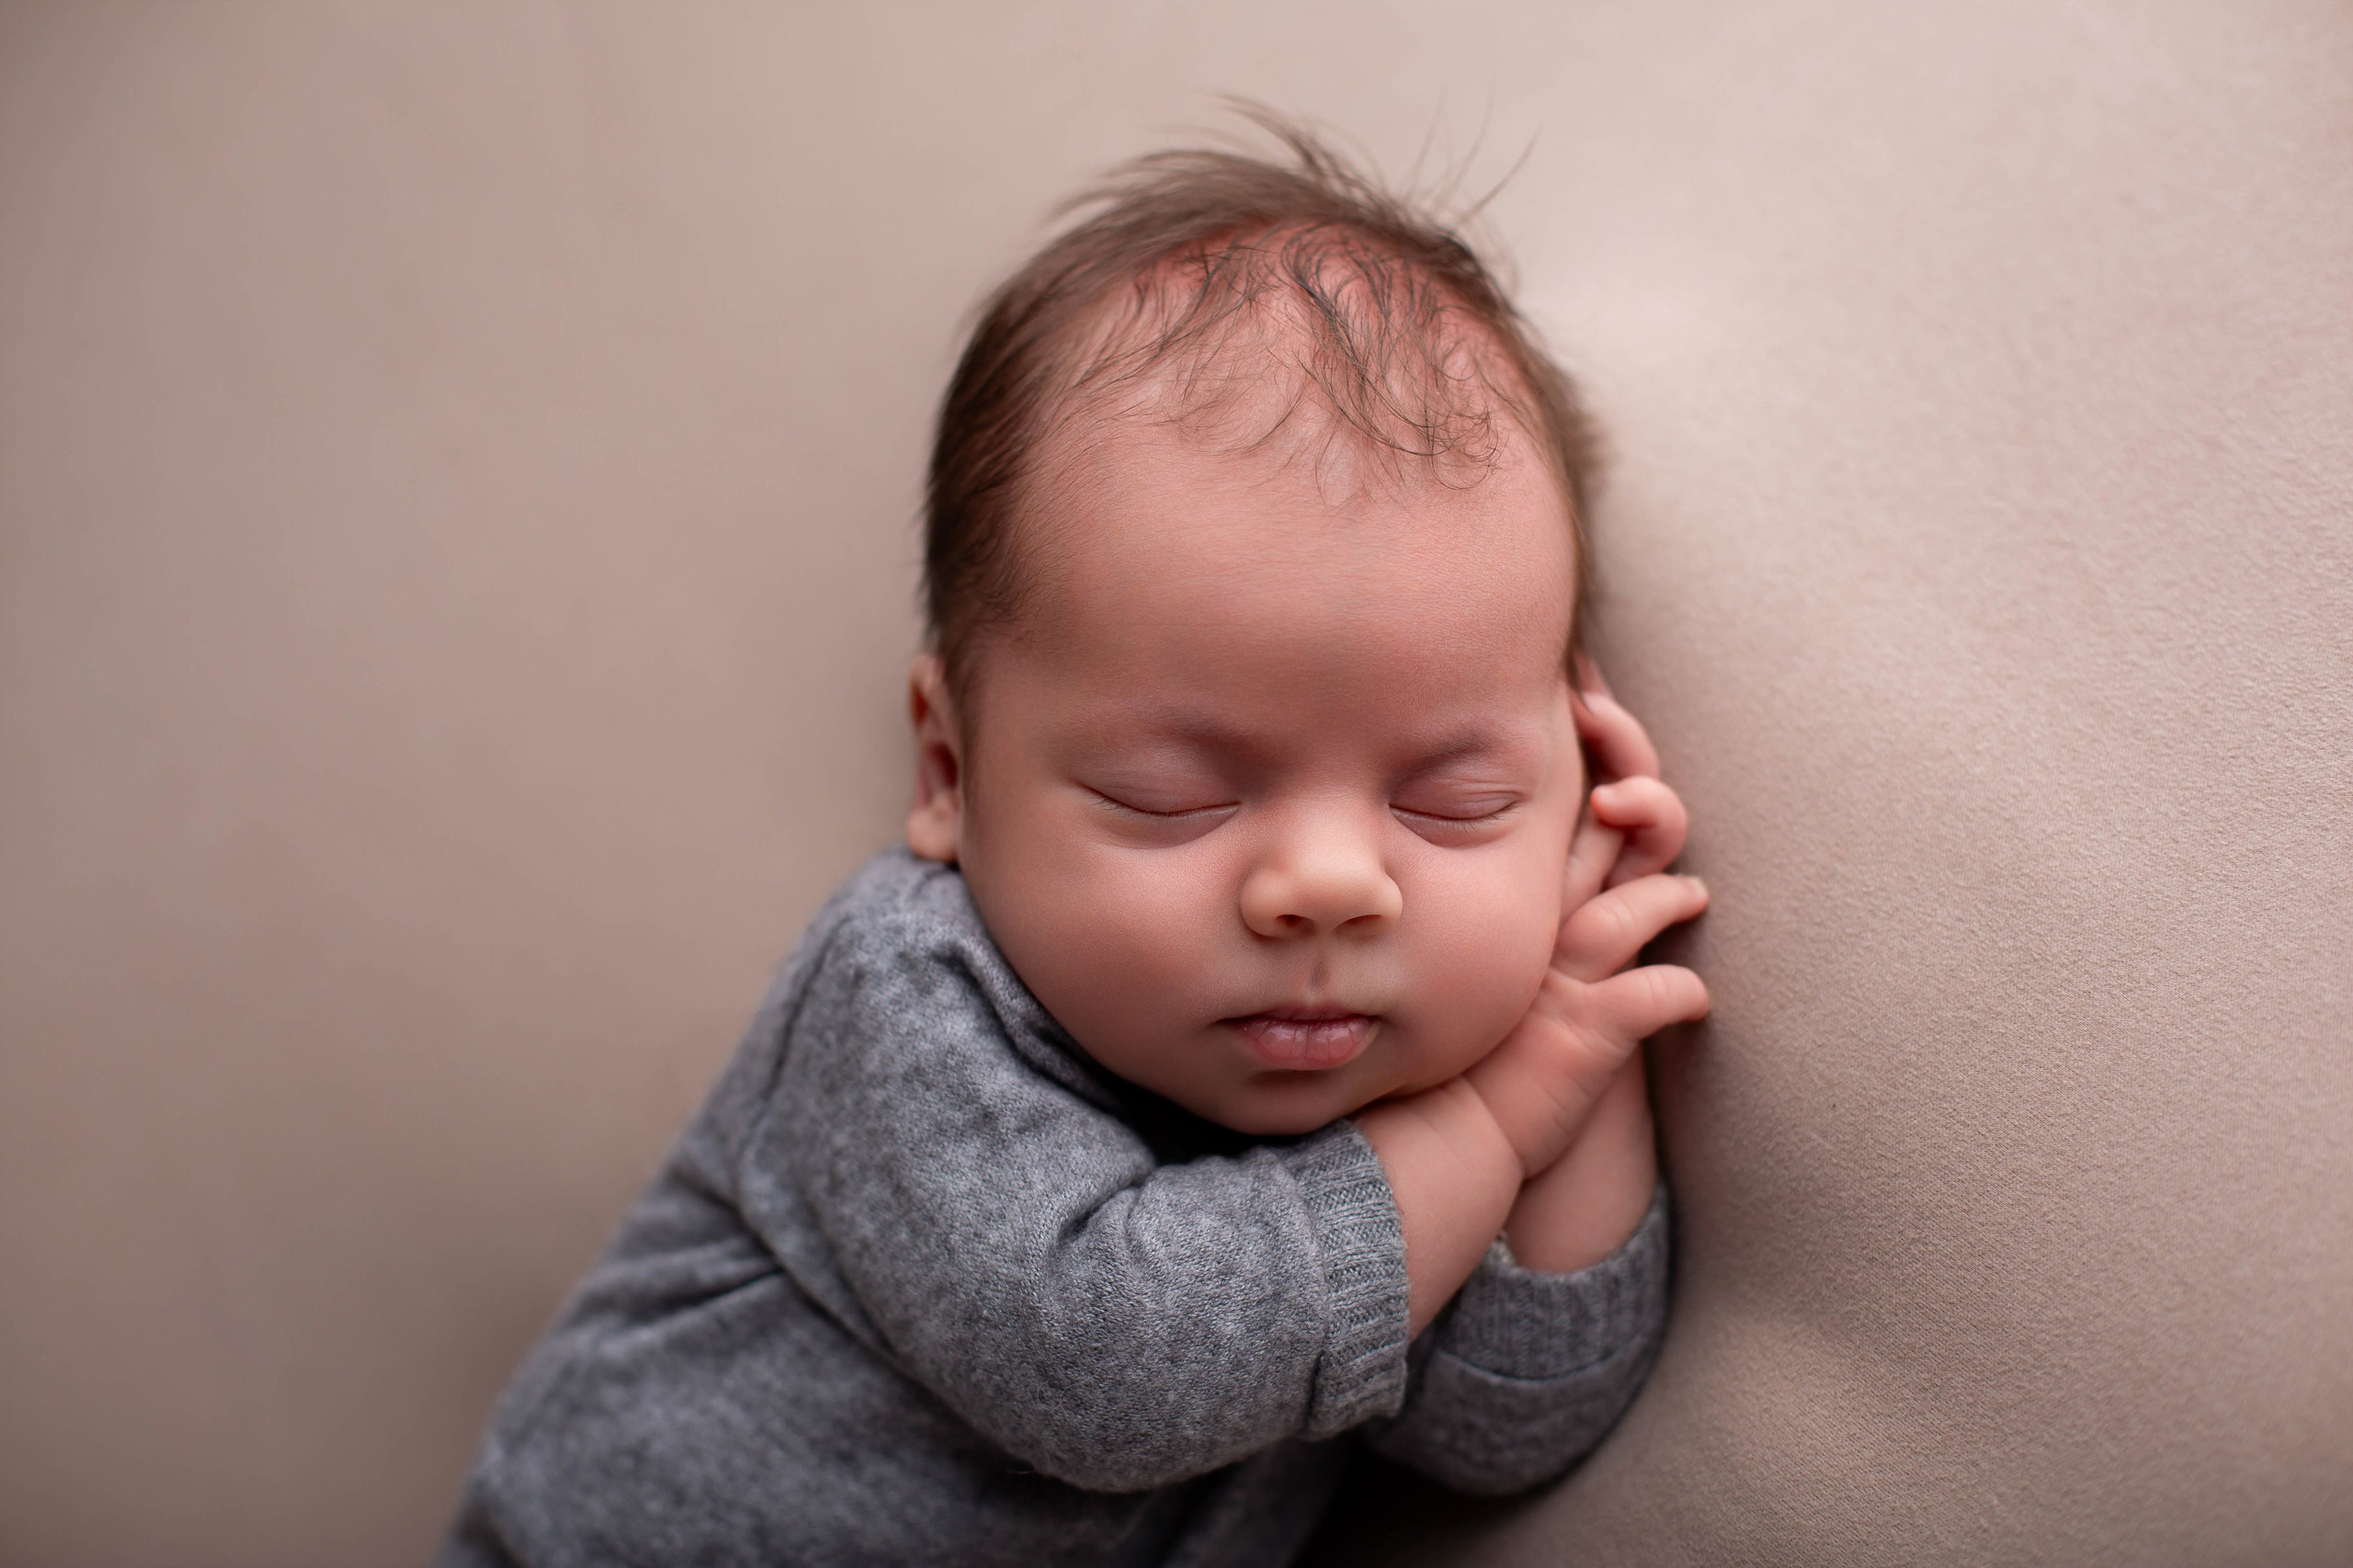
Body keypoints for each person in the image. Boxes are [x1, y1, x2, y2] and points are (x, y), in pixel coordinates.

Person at [441, 117, 1711, 1568]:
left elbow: (1506, 1431)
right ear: (949, 769)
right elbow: (1109, 1370)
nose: (1325, 887)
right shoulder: (906, 997)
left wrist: (1584, 1046)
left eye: (1455, 801)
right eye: (1172, 795)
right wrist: (1497, 1118)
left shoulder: (1413, 1077)